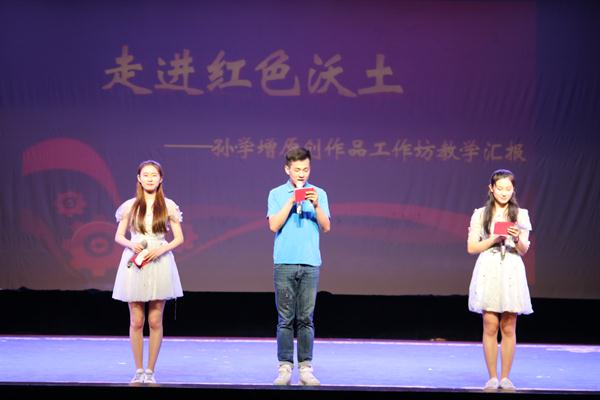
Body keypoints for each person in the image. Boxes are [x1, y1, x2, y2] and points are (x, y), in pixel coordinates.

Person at [112, 160, 184, 384]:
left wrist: (161, 249)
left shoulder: (168, 205)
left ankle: (151, 371)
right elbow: (119, 236)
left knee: (155, 320)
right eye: (146, 174)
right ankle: (138, 370)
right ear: (139, 178)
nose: (150, 178)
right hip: (136, 262)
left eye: (154, 175)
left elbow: (179, 238)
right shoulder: (130, 206)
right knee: (136, 320)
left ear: (161, 179)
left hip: (159, 261)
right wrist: (130, 244)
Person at [267, 147, 331, 386]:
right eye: (297, 170)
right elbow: (274, 225)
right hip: (284, 262)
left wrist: (316, 205)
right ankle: (285, 367)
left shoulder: (319, 193)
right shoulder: (276, 193)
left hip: (310, 262)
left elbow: (326, 226)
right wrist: (291, 200)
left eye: (305, 169)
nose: (301, 174)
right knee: (285, 319)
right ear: (287, 169)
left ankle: (305, 368)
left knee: (306, 318)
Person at [467, 169, 533, 391]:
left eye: (508, 188)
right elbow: (472, 247)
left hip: (511, 268)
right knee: (490, 324)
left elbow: (524, 249)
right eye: (500, 188)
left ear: (513, 190)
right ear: (491, 188)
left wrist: (516, 237)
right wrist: (494, 239)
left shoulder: (520, 214)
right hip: (489, 267)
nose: (504, 192)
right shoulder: (480, 214)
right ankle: (492, 377)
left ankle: (505, 377)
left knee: (509, 325)